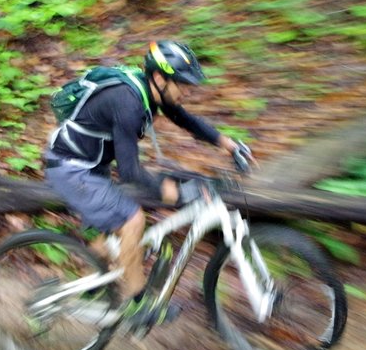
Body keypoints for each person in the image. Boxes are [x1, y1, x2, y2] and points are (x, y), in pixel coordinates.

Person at [44, 40, 253, 329]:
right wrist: (173, 192)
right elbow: (130, 171)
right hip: (72, 168)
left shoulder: (150, 93)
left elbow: (184, 119)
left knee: (108, 248)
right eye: (182, 83)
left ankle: (93, 293)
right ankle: (137, 303)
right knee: (132, 220)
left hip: (93, 166)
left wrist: (228, 145)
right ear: (159, 78)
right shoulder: (128, 102)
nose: (187, 91)